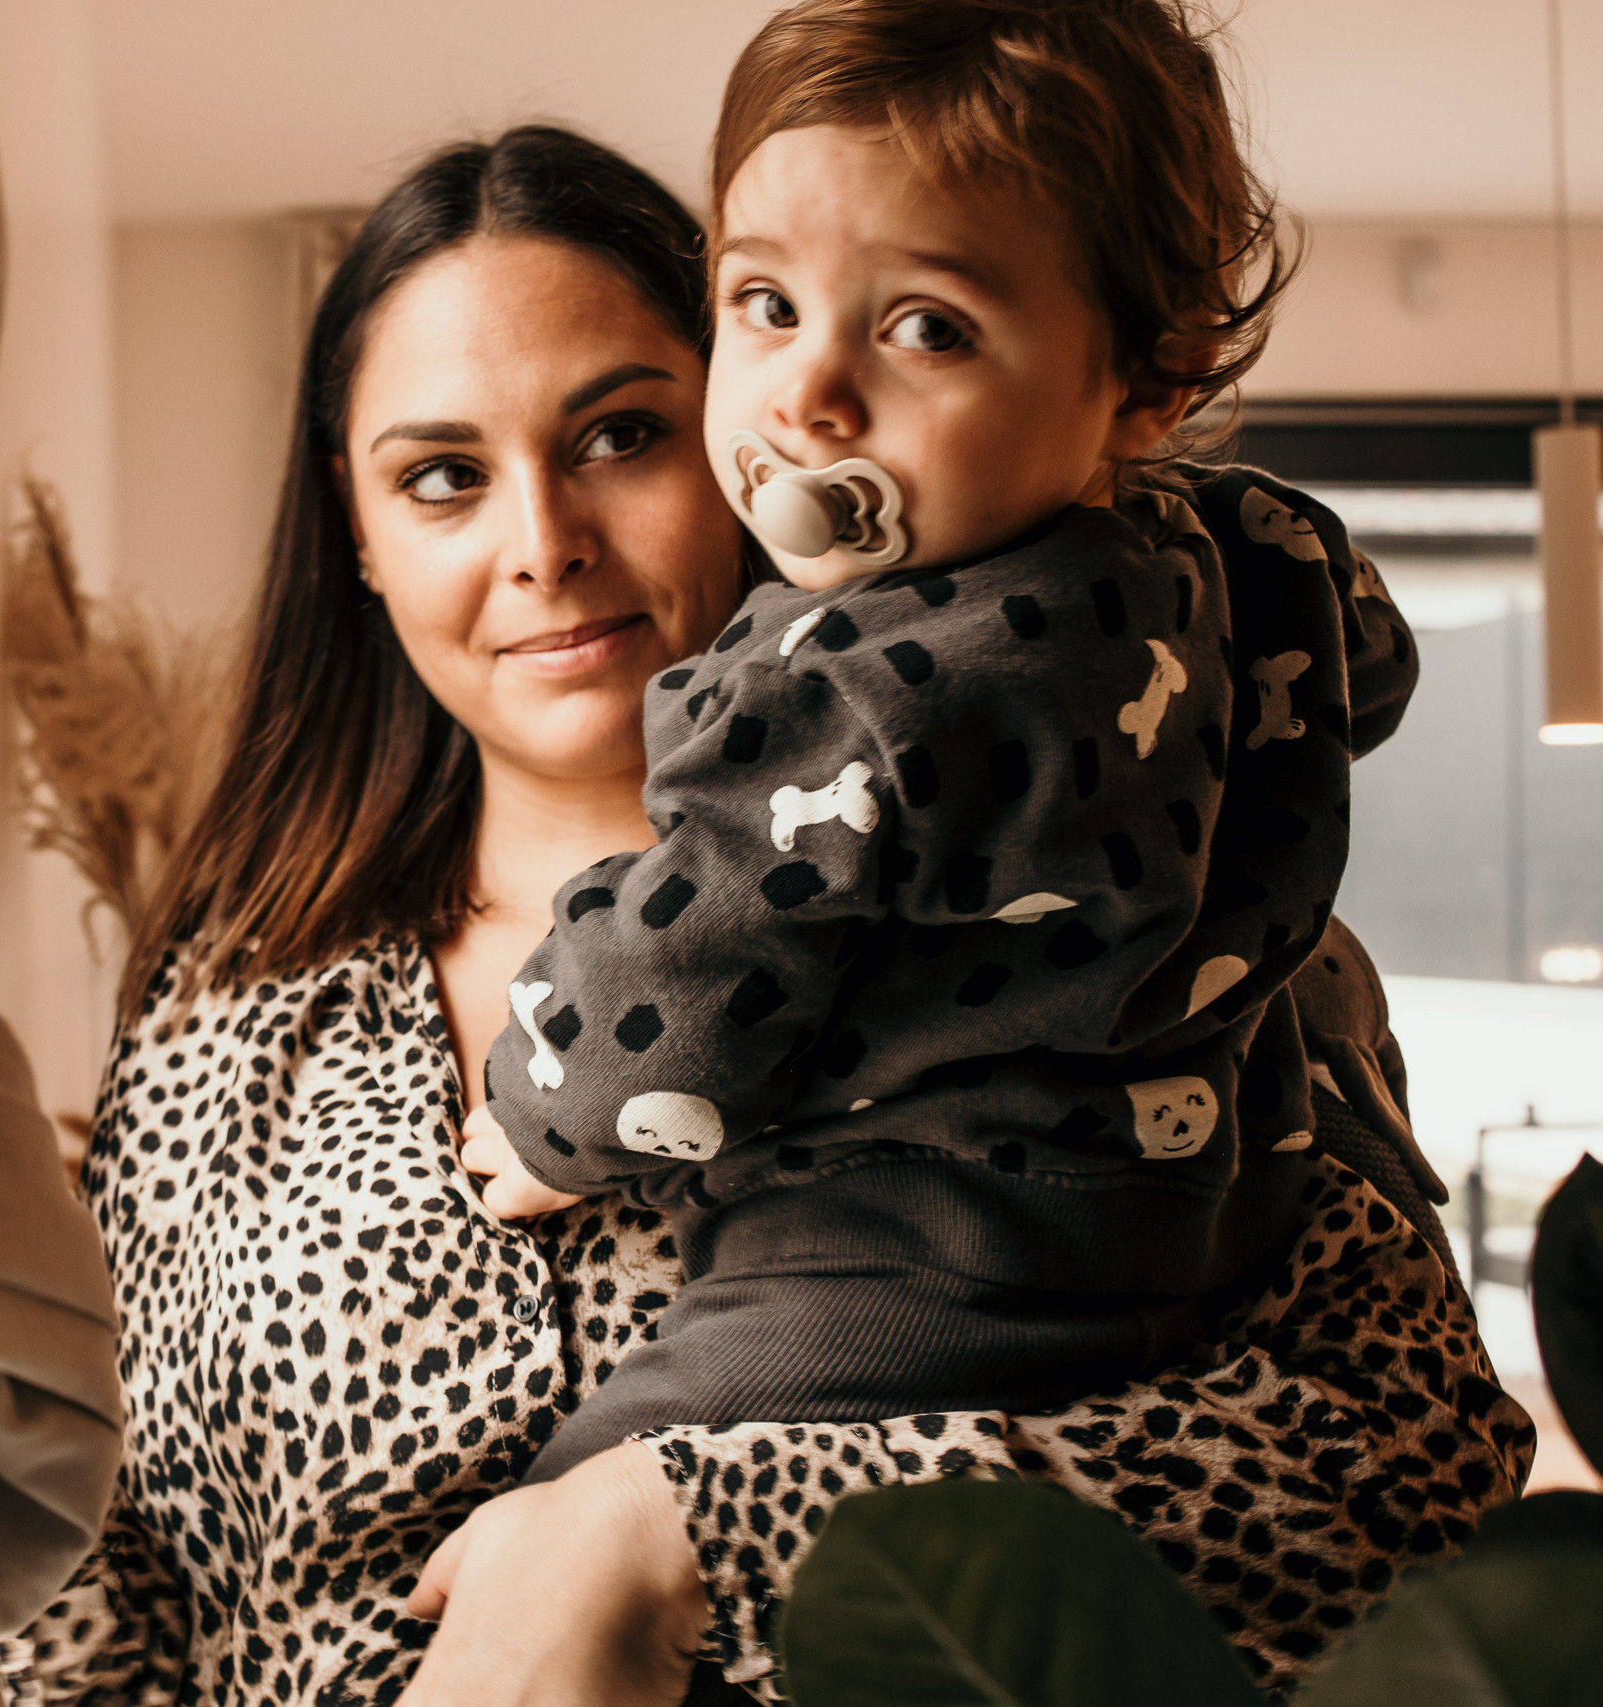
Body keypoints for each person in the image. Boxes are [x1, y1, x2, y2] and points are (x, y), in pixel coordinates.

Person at [4, 123, 1529, 1707]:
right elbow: (88, 1591)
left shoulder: (1141, 926)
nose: (543, 546)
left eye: (620, 436)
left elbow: (1405, 1478)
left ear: (758, 429)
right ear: (362, 531)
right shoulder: (230, 1010)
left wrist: (682, 1536)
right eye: (444, 476)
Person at [475, 0, 1416, 1482]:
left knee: (576, 1503)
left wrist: (542, 1121)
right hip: (1210, 1196)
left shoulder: (842, 680)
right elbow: (1366, 679)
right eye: (766, 304)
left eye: (927, 328)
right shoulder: (1258, 544)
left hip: (903, 1250)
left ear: (1151, 379)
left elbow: (688, 962)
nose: (810, 394)